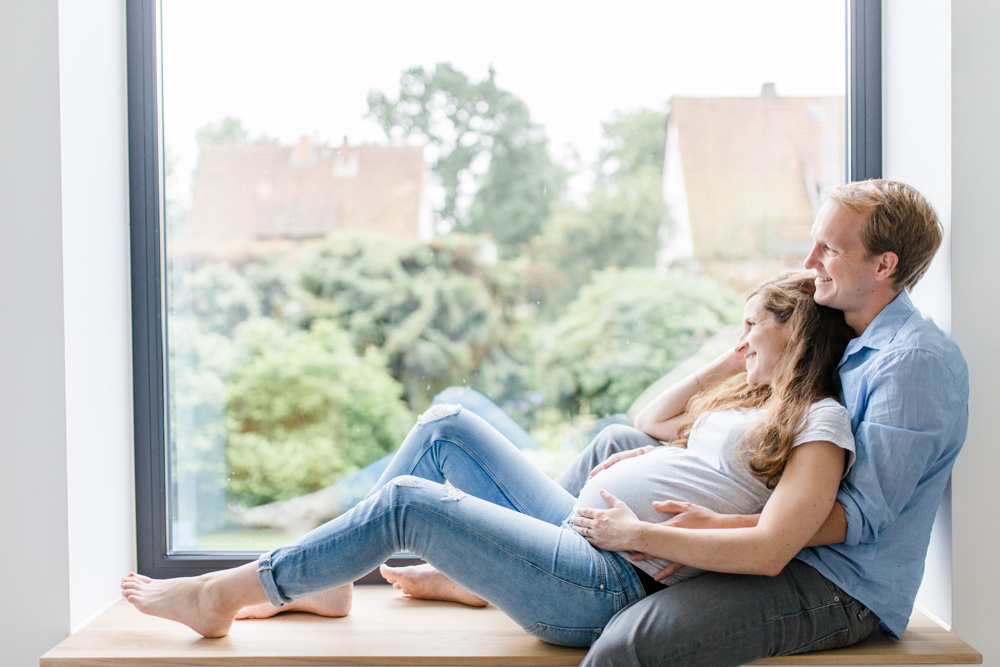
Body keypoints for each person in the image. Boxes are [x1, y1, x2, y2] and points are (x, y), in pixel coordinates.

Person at [121, 271, 857, 647]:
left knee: (411, 501)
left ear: (795, 331)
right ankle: (330, 583)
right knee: (447, 421)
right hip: (586, 535)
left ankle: (226, 593)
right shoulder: (748, 400)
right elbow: (650, 420)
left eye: (752, 326)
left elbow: (774, 545)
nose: (743, 339)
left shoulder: (819, 419)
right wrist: (724, 362)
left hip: (611, 580)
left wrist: (640, 533)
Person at [562, 179, 969, 666]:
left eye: (830, 249)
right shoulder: (847, 336)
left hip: (841, 582)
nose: (810, 261)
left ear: (884, 265)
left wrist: (719, 528)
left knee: (627, 645)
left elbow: (856, 518)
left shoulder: (912, 365)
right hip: (791, 545)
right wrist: (669, 454)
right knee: (622, 440)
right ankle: (533, 555)